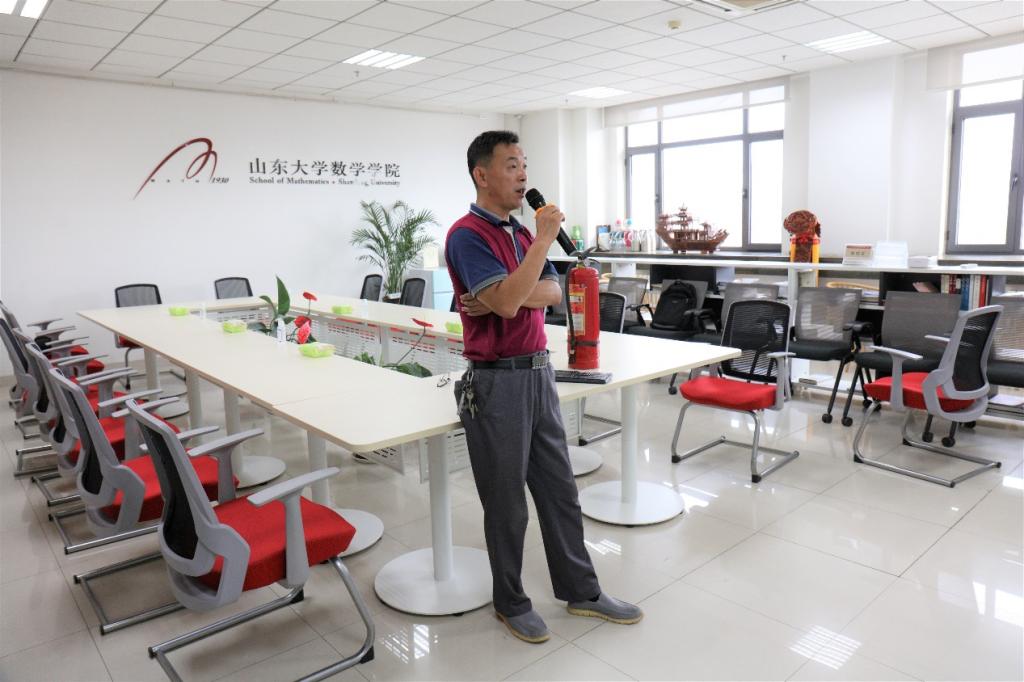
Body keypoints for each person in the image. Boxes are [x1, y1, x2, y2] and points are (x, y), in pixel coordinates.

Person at [444, 130, 642, 644]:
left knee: (560, 492)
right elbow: (510, 302)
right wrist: (524, 270)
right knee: (506, 503)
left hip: (539, 374)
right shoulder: (467, 235)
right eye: (511, 165)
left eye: (524, 165)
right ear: (482, 175)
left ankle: (581, 590)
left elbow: (552, 291)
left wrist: (507, 291)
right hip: (496, 383)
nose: (524, 175)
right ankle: (510, 602)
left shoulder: (519, 234)